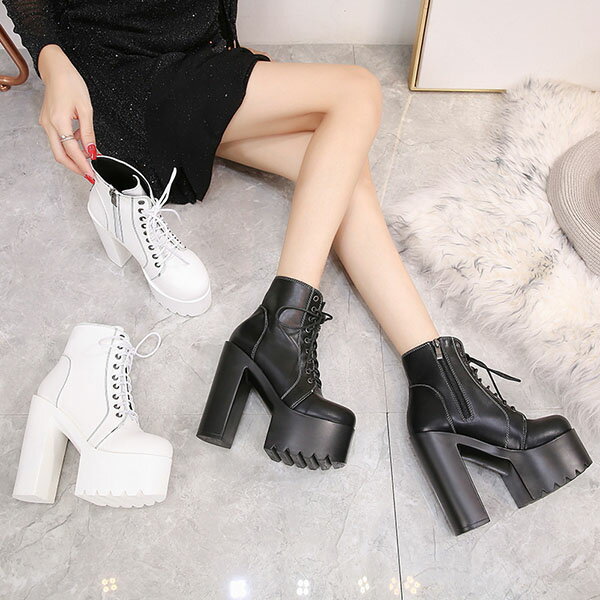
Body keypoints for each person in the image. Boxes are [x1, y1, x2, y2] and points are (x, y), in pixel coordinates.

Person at [4, 0, 591, 536]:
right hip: (114, 82)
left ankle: (438, 380)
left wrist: (227, 55)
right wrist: (52, 62)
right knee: (356, 92)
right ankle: (286, 332)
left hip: (190, 68)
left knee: (337, 169)